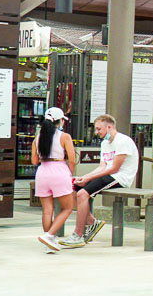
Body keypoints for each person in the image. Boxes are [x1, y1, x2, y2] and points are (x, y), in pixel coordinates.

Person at [67, 114, 139, 247]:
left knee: (83, 194)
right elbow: (102, 166)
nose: (96, 132)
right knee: (74, 188)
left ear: (109, 127)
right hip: (108, 174)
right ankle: (92, 222)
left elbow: (114, 169)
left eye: (99, 129)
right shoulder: (105, 143)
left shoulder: (123, 141)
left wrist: (89, 178)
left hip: (120, 177)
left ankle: (78, 235)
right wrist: (84, 177)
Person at [32, 107, 78, 252]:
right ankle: (49, 235)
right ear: (60, 121)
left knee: (47, 210)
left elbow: (34, 161)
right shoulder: (64, 136)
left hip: (42, 172)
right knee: (67, 208)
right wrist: (69, 173)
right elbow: (72, 159)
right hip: (59, 170)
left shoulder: (38, 138)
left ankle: (48, 242)